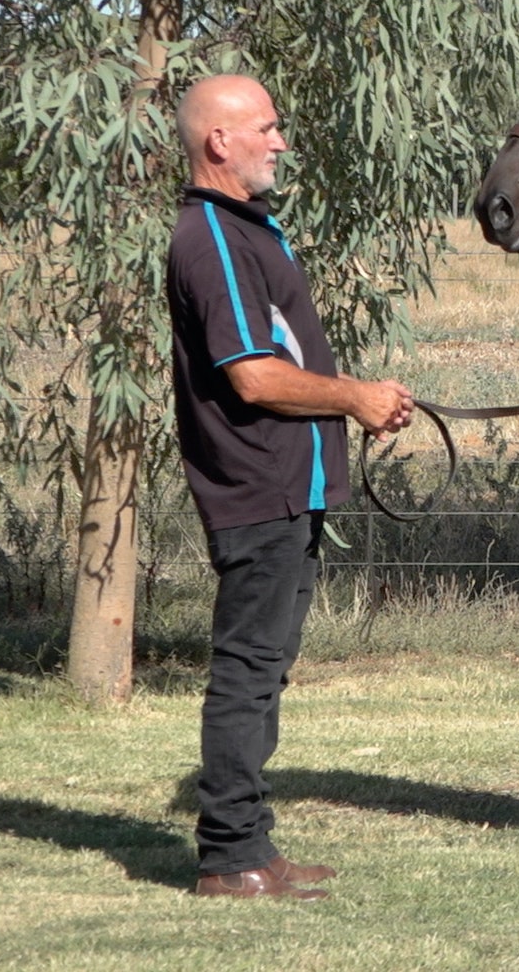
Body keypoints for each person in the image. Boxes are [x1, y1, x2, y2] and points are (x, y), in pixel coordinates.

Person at [166, 74, 414, 900]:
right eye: (267, 128)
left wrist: (356, 401)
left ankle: (250, 847)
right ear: (220, 141)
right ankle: (230, 856)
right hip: (258, 487)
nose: (280, 142)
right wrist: (355, 398)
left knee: (265, 670)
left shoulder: (244, 227)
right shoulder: (213, 238)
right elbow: (254, 376)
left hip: (286, 487)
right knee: (248, 670)